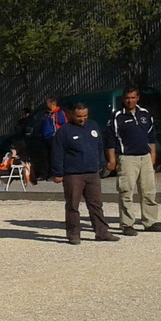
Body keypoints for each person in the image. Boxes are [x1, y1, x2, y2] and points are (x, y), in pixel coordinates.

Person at [53, 103, 118, 245]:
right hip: (73, 174)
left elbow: (99, 146)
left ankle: (102, 232)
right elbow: (57, 153)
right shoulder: (64, 131)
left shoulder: (93, 126)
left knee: (96, 204)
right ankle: (73, 234)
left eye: (85, 116)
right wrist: (58, 173)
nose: (82, 119)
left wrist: (102, 164)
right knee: (73, 205)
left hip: (93, 173)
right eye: (79, 116)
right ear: (71, 114)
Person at [107, 88, 161, 235]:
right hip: (127, 158)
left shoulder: (145, 114)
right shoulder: (117, 116)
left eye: (132, 98)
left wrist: (153, 155)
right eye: (127, 98)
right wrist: (112, 159)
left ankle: (149, 222)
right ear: (123, 99)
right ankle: (127, 224)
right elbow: (111, 139)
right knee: (126, 191)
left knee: (149, 191)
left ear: (137, 98)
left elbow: (151, 137)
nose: (130, 101)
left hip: (145, 157)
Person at [34, 97, 67, 183]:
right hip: (45, 138)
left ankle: (55, 173)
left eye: (48, 103)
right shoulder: (46, 114)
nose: (46, 104)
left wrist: (58, 134)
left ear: (52, 103)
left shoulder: (59, 113)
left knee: (55, 156)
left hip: (54, 138)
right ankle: (46, 174)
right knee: (46, 157)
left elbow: (64, 125)